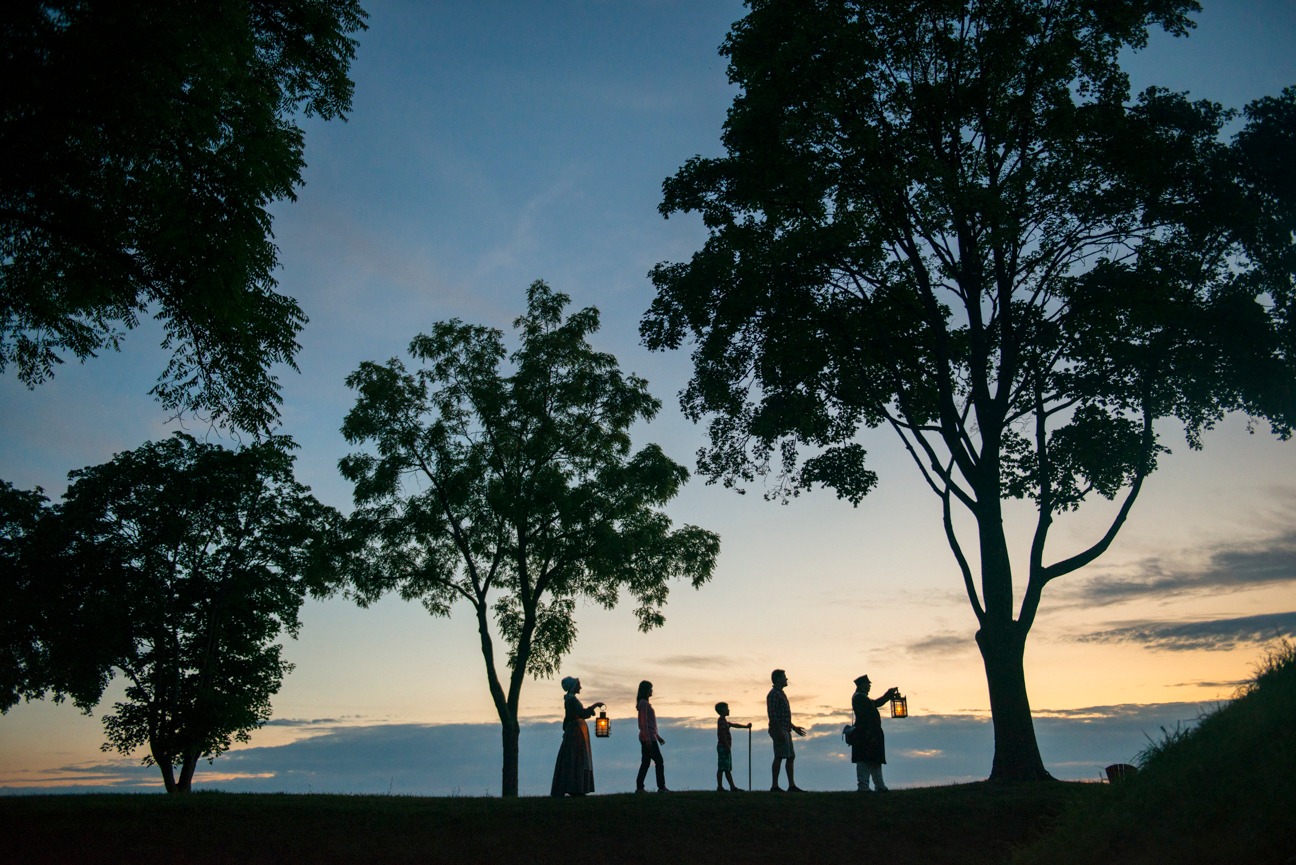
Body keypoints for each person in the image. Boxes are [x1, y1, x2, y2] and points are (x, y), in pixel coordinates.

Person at [550, 676, 604, 797]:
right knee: (578, 758)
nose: (580, 687)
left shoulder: (569, 700)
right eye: (578, 684)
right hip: (576, 733)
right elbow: (583, 713)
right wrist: (595, 706)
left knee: (572, 758)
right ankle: (576, 787)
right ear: (573, 686)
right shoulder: (572, 700)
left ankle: (574, 786)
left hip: (574, 731)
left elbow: (568, 717)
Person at [851, 674, 900, 792]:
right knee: (864, 760)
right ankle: (863, 787)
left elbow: (875, 703)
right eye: (867, 684)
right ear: (862, 685)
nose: (869, 686)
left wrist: (887, 695)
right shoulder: (859, 698)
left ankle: (879, 786)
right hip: (866, 734)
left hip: (870, 734)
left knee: (874, 761)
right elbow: (875, 704)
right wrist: (887, 695)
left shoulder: (861, 697)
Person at [766, 669, 807, 792]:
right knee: (779, 756)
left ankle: (791, 785)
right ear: (778, 679)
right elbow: (773, 716)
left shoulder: (781, 693)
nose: (786, 679)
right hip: (779, 730)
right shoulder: (774, 694)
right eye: (784, 677)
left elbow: (784, 715)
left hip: (785, 729)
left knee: (790, 757)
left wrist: (794, 728)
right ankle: (775, 786)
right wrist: (779, 732)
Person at [634, 680, 669, 792]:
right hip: (648, 738)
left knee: (646, 762)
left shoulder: (644, 704)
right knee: (659, 761)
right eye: (650, 688)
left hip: (649, 737)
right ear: (646, 690)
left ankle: (640, 787)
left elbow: (650, 725)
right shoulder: (644, 704)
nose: (652, 690)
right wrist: (649, 740)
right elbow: (644, 724)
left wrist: (658, 737)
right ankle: (661, 787)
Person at [715, 702, 751, 791]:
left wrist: (746, 727)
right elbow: (722, 734)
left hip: (725, 747)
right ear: (723, 710)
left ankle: (731, 787)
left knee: (726, 768)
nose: (729, 710)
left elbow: (734, 725)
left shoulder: (725, 721)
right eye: (727, 708)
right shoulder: (721, 721)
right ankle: (722, 787)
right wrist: (727, 746)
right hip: (723, 747)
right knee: (722, 768)